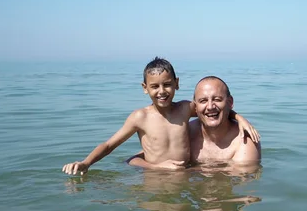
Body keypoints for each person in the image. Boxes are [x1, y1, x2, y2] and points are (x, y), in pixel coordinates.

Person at [62, 58, 259, 175]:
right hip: (154, 176)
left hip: (183, 177)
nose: (162, 91)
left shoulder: (184, 109)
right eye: (155, 86)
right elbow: (109, 145)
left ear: (177, 84)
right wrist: (86, 163)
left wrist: (240, 118)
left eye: (167, 84)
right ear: (145, 88)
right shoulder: (140, 117)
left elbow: (211, 111)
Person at [128, 75, 261, 169]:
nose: (210, 106)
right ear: (195, 107)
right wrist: (155, 167)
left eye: (217, 99)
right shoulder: (186, 132)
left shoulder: (244, 140)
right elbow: (133, 160)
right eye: (203, 101)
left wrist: (184, 172)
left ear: (230, 102)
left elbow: (240, 186)